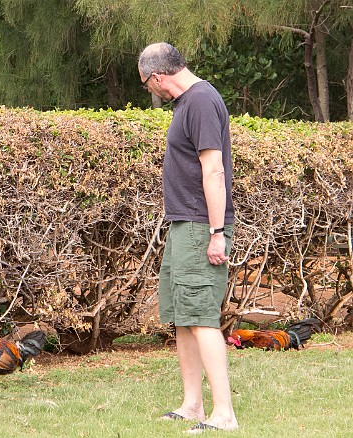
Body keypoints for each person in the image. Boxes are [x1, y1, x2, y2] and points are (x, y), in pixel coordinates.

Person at [138, 42, 239, 434]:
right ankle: (193, 405)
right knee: (183, 316)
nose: (149, 90)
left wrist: (217, 233)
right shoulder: (187, 104)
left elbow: (213, 171)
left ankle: (224, 414)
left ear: (158, 77)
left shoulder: (200, 101)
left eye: (147, 84)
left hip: (201, 226)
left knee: (201, 317)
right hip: (185, 225)